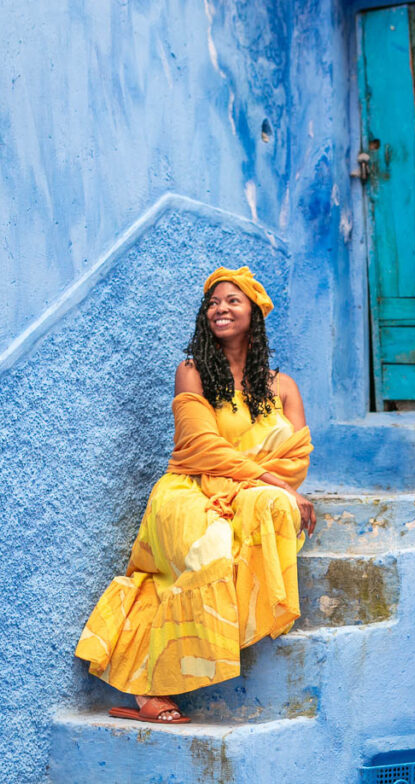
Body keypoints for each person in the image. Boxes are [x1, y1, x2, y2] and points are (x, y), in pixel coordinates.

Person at [75, 266, 315, 723]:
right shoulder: (193, 371)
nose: (220, 309)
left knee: (279, 506)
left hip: (247, 491)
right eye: (213, 303)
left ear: (254, 314)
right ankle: (147, 690)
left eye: (232, 301)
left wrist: (269, 484)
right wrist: (271, 479)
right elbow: (199, 447)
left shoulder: (283, 387)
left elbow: (296, 459)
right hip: (188, 489)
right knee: (210, 542)